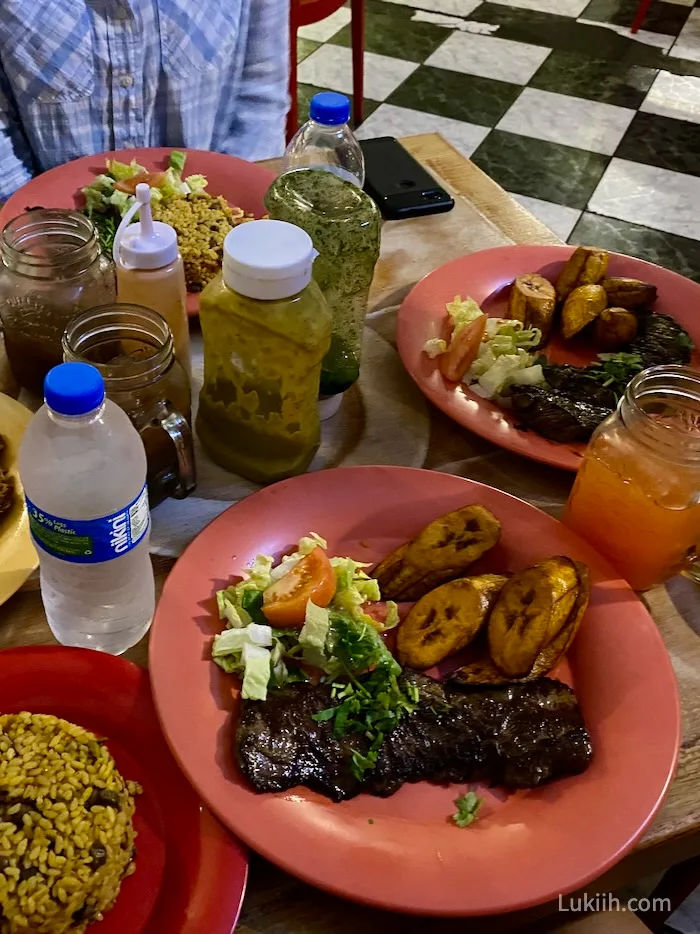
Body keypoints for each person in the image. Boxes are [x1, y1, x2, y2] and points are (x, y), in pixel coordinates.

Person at [0, 0, 289, 201]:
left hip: (212, 208)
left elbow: (259, 87)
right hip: (53, 233)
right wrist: (32, 227)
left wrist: (240, 199)